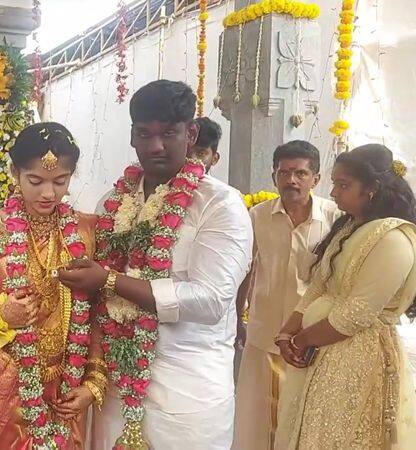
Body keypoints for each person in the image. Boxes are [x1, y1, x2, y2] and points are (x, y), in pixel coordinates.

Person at [57, 80, 253, 449]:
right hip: (116, 386)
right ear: (132, 136)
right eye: (145, 134)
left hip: (188, 394)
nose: (156, 146)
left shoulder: (221, 206)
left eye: (168, 133)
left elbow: (211, 301)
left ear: (191, 133)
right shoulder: (111, 204)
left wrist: (110, 281)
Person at [0, 122, 104, 449]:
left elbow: (99, 312)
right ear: (15, 172)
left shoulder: (86, 231)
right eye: (35, 181)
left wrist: (94, 382)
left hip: (65, 386)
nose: (48, 193)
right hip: (2, 384)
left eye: (61, 181)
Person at [275, 144, 416, 449]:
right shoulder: (350, 226)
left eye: (343, 185)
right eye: (335, 184)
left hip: (355, 357)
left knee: (338, 436)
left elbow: (356, 315)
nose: (334, 193)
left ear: (372, 189)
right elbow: (318, 286)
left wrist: (301, 340)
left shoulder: (393, 239)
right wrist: (287, 331)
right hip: (319, 350)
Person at [233, 140, 342, 450]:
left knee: (304, 415)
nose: (291, 180)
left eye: (300, 173)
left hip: (313, 335)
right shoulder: (257, 216)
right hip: (263, 329)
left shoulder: (334, 218)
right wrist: (237, 315)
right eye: (284, 173)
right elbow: (245, 269)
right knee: (255, 418)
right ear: (274, 177)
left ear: (316, 178)